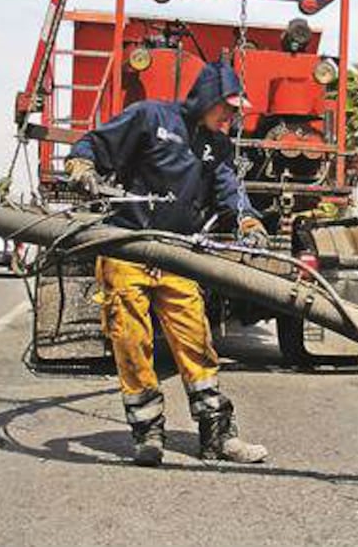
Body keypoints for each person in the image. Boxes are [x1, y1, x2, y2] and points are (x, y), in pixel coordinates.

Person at [65, 60, 268, 467]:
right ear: (208, 99)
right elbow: (95, 143)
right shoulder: (150, 117)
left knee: (196, 341)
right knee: (131, 342)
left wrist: (247, 218)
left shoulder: (219, 146)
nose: (231, 117)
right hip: (128, 247)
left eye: (235, 111)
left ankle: (217, 436)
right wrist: (81, 164)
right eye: (227, 108)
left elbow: (229, 187)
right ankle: (147, 433)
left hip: (176, 253)